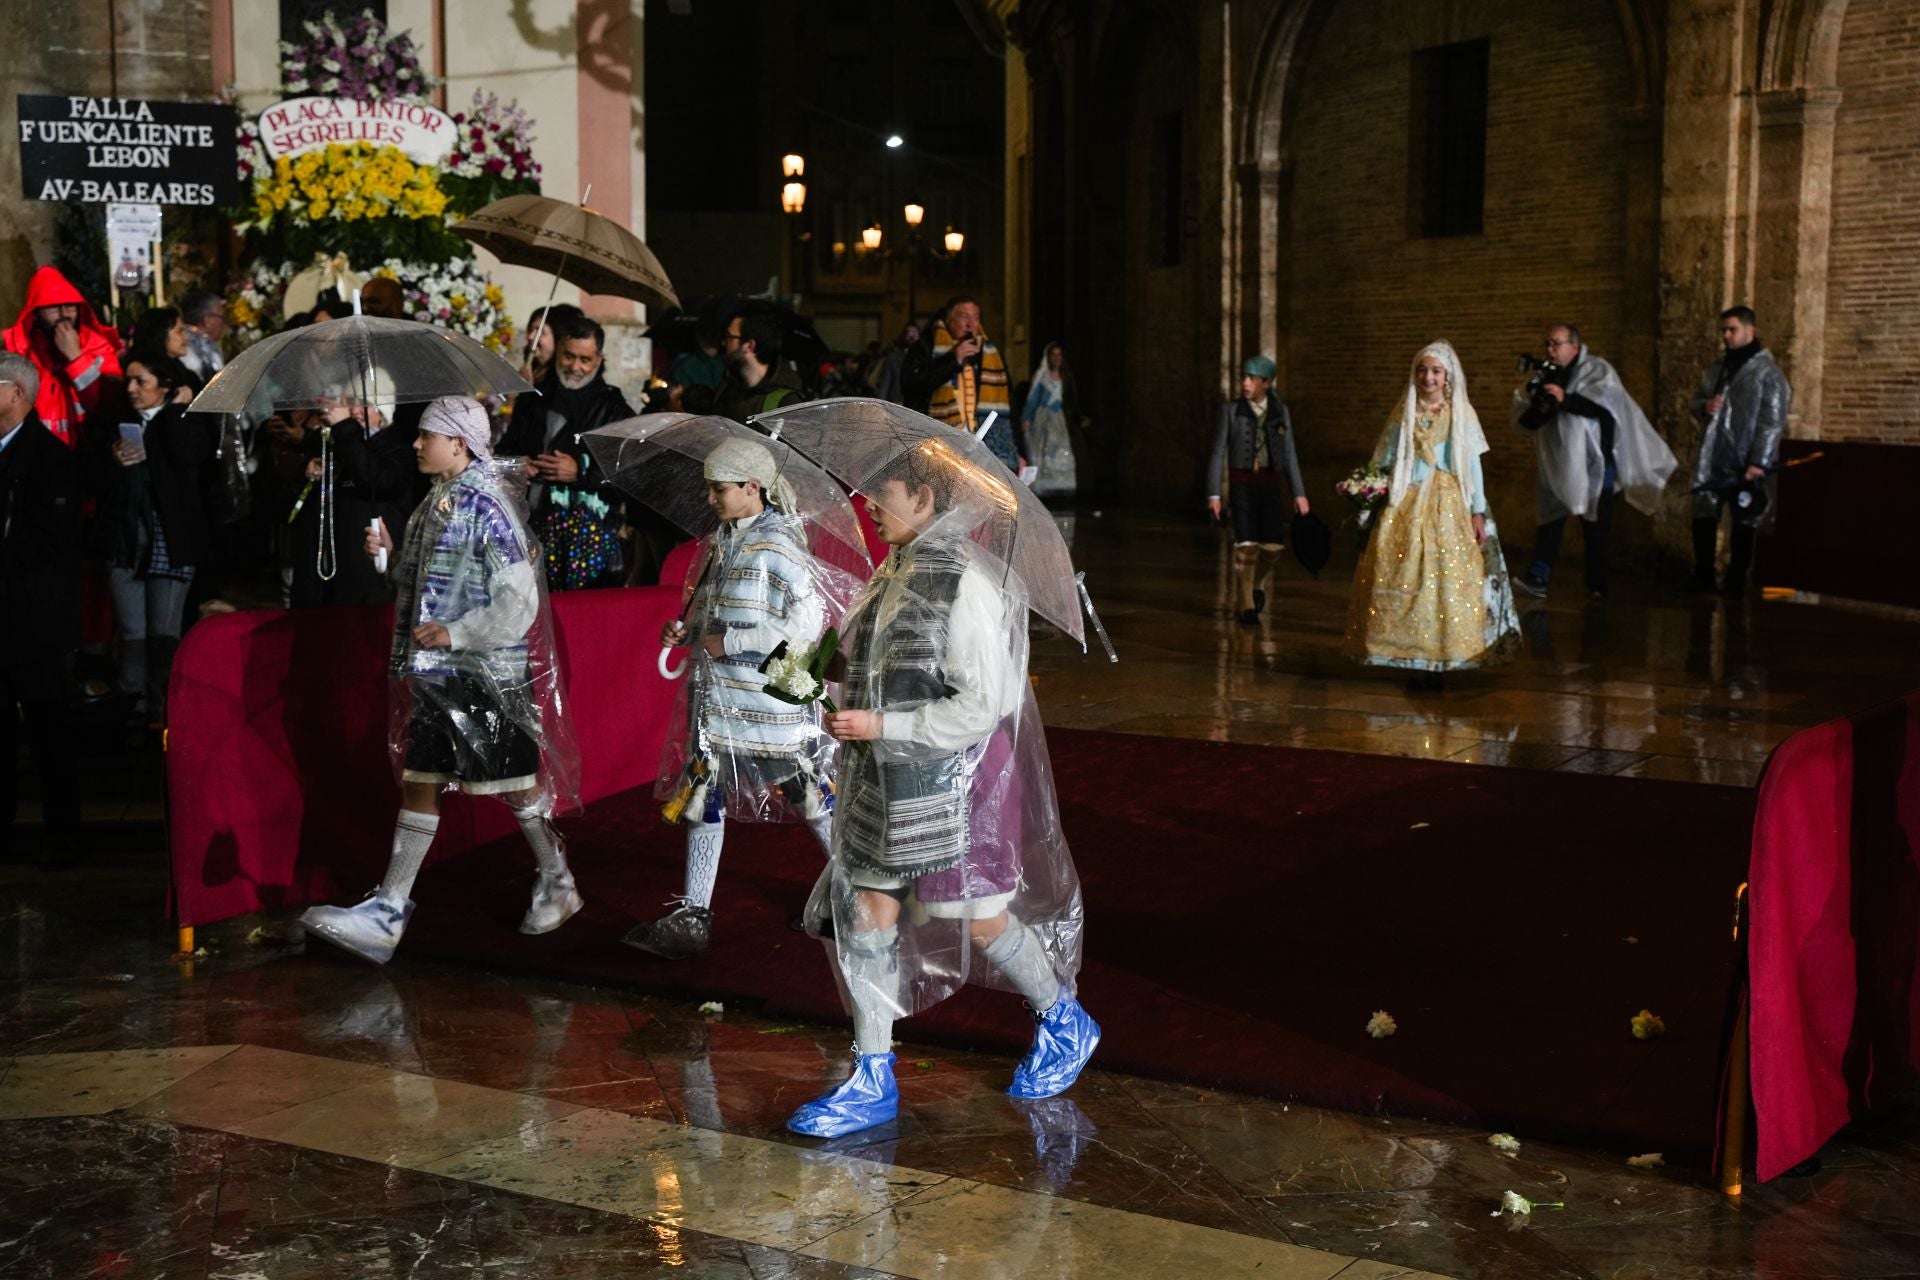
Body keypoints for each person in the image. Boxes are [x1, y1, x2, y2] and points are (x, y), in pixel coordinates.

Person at [786, 443, 1097, 1139]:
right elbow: (872, 653)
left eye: (882, 491)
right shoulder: (894, 566)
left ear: (925, 500)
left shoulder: (966, 583)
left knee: (978, 918)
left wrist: (879, 720)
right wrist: (819, 665)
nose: (868, 503)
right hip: (882, 775)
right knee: (868, 912)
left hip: (958, 784)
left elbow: (981, 703)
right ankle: (871, 1076)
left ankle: (1063, 1018)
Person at [300, 396, 583, 964]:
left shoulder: (488, 506)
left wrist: (456, 633)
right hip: (443, 674)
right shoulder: (442, 501)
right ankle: (389, 908)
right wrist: (390, 557)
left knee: (514, 786)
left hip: (484, 675)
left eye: (427, 434)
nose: (415, 443)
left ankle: (556, 878)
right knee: (422, 780)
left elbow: (518, 601)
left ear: (458, 443)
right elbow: (432, 580)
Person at [624, 435, 853, 960]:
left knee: (806, 793)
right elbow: (718, 607)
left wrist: (730, 641)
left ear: (754, 487)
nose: (711, 499)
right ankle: (694, 910)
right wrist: (687, 629)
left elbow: (805, 623)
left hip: (767, 700)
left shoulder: (778, 545)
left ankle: (855, 895)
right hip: (720, 701)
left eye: (719, 489)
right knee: (706, 794)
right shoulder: (725, 541)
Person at [1347, 341, 1519, 688]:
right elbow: (1386, 459)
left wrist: (1478, 511)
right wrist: (1367, 492)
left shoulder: (1462, 413)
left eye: (1436, 371)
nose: (1428, 377)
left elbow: (1473, 464)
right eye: (1422, 370)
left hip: (1449, 502)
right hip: (1407, 501)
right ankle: (1414, 655)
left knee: (1446, 583)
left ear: (1447, 377)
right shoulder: (1405, 412)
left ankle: (1443, 658)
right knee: (1406, 577)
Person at [1510, 325, 1676, 601]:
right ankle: (1538, 578)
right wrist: (1539, 404)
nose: (1550, 350)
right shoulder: (1545, 375)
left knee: (1595, 526)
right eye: (1547, 344)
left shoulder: (1597, 371)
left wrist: (1566, 399)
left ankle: (1597, 585)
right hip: (1558, 463)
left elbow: (1607, 406)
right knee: (1549, 520)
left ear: (1574, 346)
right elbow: (1528, 420)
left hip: (1595, 463)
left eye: (1556, 344)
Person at [93, 355, 215, 723]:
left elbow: (186, 456)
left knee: (164, 631)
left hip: (171, 539)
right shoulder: (113, 419)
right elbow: (90, 474)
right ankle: (131, 704)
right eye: (128, 381)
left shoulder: (187, 419)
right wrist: (113, 461)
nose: (131, 389)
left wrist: (176, 411)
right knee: (132, 630)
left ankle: (162, 710)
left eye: (140, 381)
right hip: (126, 539)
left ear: (165, 385)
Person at [0, 353, 83, 867]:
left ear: (17, 395)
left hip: (35, 620)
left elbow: (52, 542)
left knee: (50, 730)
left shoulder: (51, 460)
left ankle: (63, 837)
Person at [497, 314, 636, 590]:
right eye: (569, 356)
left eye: (585, 360)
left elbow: (627, 473)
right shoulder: (532, 397)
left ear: (598, 359)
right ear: (558, 352)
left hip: (589, 541)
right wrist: (518, 464)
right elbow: (504, 450)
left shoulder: (613, 407)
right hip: (532, 529)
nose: (576, 367)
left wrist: (580, 472)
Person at [287, 369, 417, 608]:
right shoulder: (338, 442)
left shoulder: (397, 449)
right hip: (326, 569)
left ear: (383, 409)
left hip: (366, 577)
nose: (356, 411)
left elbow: (376, 480)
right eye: (351, 402)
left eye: (365, 404)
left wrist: (345, 429)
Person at [1689, 306, 1789, 595]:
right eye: (1724, 330)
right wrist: (1703, 407)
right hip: (1713, 457)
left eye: (1732, 329)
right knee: (1704, 515)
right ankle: (1703, 575)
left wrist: (1759, 460)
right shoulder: (1717, 370)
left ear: (1750, 330)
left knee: (1744, 520)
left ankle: (1736, 579)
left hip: (1746, 461)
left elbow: (1772, 421)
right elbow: (1695, 401)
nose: (1726, 336)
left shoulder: (1768, 375)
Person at [1206, 356, 1309, 625]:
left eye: (1252, 378)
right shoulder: (1231, 410)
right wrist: (1214, 494)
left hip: (1270, 487)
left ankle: (1257, 584)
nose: (1245, 383)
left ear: (1267, 382)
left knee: (1273, 548)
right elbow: (1218, 452)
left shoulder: (1280, 411)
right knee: (1246, 545)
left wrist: (1299, 493)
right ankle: (1246, 606)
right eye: (1243, 377)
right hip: (1242, 486)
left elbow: (1289, 454)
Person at [2, 264, 124, 446]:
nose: (64, 314)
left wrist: (76, 357)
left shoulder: (97, 345)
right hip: (32, 455)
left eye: (70, 306)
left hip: (86, 454)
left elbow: (108, 404)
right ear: (35, 313)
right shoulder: (15, 347)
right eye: (53, 307)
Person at [906, 297, 1027, 471]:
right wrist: (953, 360)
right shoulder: (925, 348)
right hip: (939, 442)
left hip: (982, 445)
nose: (970, 324)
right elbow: (913, 387)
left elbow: (1010, 405)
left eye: (975, 317)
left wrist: (1018, 450)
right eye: (964, 317)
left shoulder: (989, 354)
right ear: (949, 320)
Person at [714, 303, 807, 421]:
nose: (723, 343)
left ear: (749, 346)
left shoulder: (786, 404)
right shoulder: (725, 391)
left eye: (729, 337)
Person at [1022, 342, 1079, 501]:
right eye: (1053, 355)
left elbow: (1070, 399)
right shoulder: (1042, 376)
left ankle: (1061, 487)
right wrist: (1027, 417)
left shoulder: (1065, 377)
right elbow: (1032, 399)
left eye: (1059, 355)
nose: (1056, 358)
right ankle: (1044, 487)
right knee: (1043, 449)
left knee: (1060, 449)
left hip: (1059, 419)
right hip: (1043, 417)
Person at [519, 303, 584, 388]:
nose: (530, 336)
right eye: (530, 330)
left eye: (540, 332)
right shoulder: (531, 370)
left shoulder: (563, 382)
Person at [177, 291, 226, 381]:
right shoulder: (183, 349)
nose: (223, 323)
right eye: (221, 317)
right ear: (207, 320)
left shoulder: (211, 347)